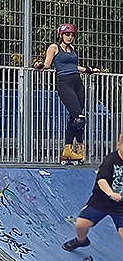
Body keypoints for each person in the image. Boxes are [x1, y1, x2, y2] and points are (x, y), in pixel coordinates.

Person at [33, 23, 101, 163]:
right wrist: (39, 65)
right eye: (67, 34)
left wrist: (89, 69)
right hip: (65, 83)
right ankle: (79, 147)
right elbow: (47, 64)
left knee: (73, 117)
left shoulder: (72, 49)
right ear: (61, 35)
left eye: (72, 35)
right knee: (79, 118)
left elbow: (74, 66)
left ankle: (67, 149)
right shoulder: (54, 47)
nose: (70, 37)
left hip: (78, 83)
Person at [62, 132, 123, 255]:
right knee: (80, 225)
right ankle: (81, 241)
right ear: (119, 145)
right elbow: (102, 180)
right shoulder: (111, 159)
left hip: (121, 207)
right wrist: (111, 193)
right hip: (101, 201)